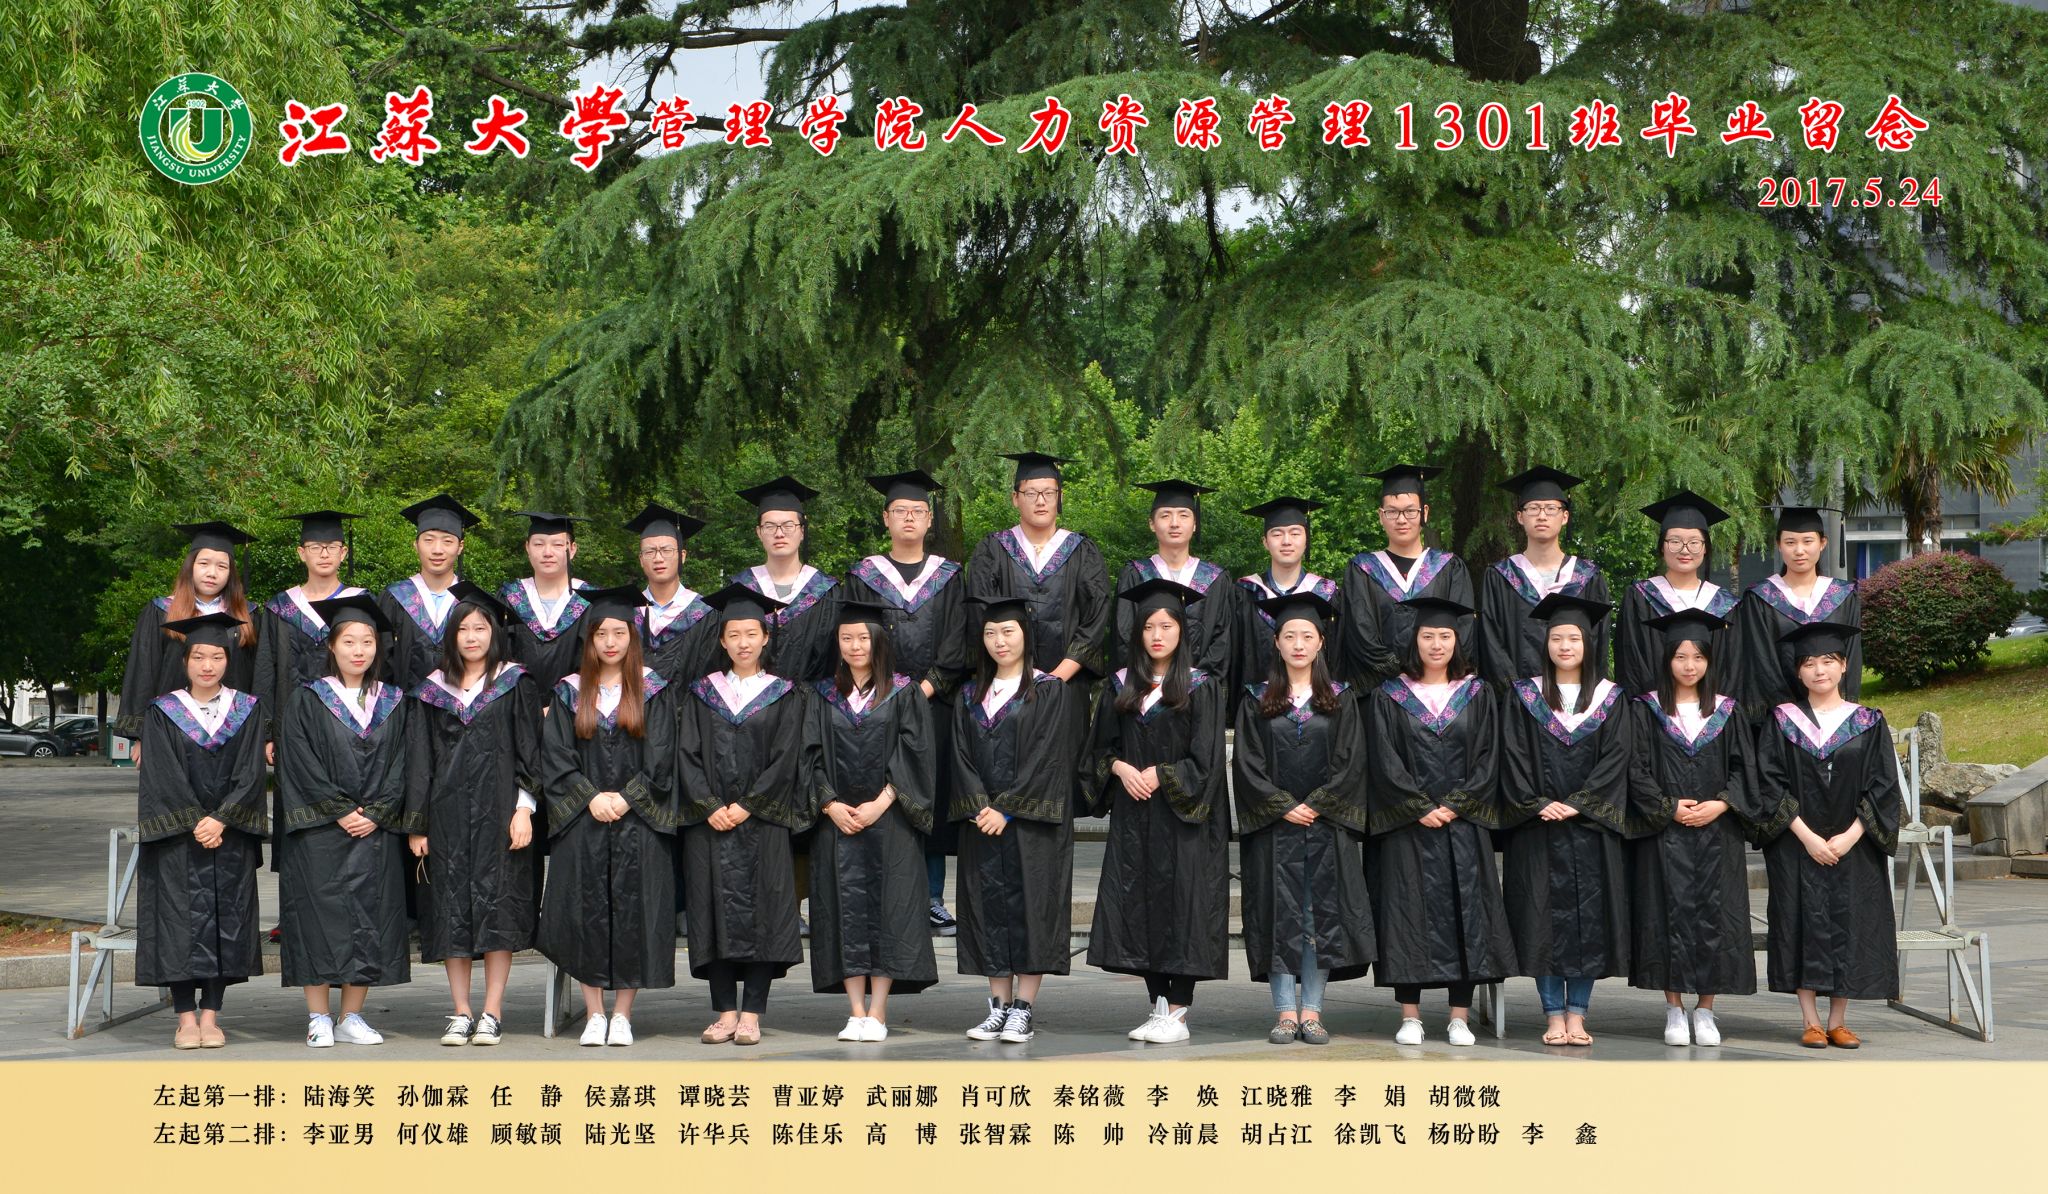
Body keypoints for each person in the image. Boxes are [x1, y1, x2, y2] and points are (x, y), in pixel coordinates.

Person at [1364, 596, 1514, 1047]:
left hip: (1462, 824)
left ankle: (1459, 1017)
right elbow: (1384, 758)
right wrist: (1418, 806)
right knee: (1405, 913)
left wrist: (1456, 804)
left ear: (1456, 640)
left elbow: (1489, 755)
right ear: (1414, 641)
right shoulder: (1389, 695)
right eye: (1427, 635)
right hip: (1407, 826)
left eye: (1445, 636)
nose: (1436, 644)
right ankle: (1410, 1016)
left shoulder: (1478, 694)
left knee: (1465, 913)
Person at [1085, 578, 1229, 1044]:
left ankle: (1180, 1013)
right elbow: (1099, 751)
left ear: (1182, 631)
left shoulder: (1202, 686)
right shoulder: (1122, 685)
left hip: (1183, 821)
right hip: (1135, 817)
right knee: (1139, 906)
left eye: (1166, 626)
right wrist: (1120, 768)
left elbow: (1207, 760)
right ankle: (1158, 1007)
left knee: (1182, 908)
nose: (1157, 635)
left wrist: (1162, 775)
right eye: (1148, 627)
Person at [401, 582, 541, 1047]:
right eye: (463, 629)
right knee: (449, 912)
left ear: (494, 634)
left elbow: (529, 752)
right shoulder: (431, 691)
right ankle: (461, 1011)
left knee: (498, 910)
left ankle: (492, 1011)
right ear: (452, 636)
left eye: (481, 628)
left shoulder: (515, 683)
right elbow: (419, 760)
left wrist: (524, 810)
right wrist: (417, 824)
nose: (472, 636)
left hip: (500, 815)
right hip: (446, 818)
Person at [537, 586, 679, 1047]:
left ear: (632, 637)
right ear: (590, 640)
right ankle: (594, 1013)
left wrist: (628, 798)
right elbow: (556, 755)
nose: (611, 641)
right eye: (601, 634)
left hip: (638, 822)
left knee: (635, 912)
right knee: (585, 913)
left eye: (619, 632)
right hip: (583, 821)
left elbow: (662, 755)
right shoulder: (569, 691)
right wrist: (590, 797)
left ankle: (622, 1015)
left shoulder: (653, 689)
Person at [1233, 590, 1375, 1046]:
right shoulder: (1256, 699)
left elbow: (1352, 761)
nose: (1298, 644)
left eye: (1307, 636)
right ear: (1276, 642)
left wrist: (1317, 804)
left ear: (1320, 643)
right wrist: (1282, 805)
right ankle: (1284, 1013)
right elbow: (1247, 764)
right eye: (1290, 635)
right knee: (1279, 916)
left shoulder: (1341, 698)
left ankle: (1312, 1011)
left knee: (1319, 918)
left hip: (1325, 827)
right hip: (1274, 829)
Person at [676, 584, 816, 1045]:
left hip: (763, 823)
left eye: (751, 633)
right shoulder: (701, 694)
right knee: (711, 911)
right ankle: (724, 1012)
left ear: (765, 637)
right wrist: (710, 805)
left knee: (764, 915)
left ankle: (752, 1013)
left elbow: (786, 757)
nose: (743, 642)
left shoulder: (784, 694)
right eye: (734, 634)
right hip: (710, 824)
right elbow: (686, 755)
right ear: (722, 640)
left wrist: (748, 805)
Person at [1754, 622, 1899, 1049]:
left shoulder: (1868, 721)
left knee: (1849, 923)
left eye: (1828, 661)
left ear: (1843, 666)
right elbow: (1769, 784)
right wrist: (1807, 837)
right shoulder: (1782, 721)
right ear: (1798, 671)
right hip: (1797, 845)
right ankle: (1810, 1020)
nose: (1819, 670)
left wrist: (1852, 835)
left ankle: (1838, 1021)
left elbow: (1883, 785)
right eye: (1809, 663)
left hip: (1854, 846)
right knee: (1800, 921)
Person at [275, 593, 410, 1048]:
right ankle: (318, 1016)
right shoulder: (307, 699)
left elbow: (404, 762)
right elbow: (298, 761)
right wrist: (339, 810)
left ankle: (352, 1016)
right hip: (320, 832)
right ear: (331, 646)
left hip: (373, 830)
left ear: (378, 647)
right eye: (349, 641)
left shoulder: (394, 701)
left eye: (367, 641)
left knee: (369, 918)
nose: (358, 650)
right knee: (317, 918)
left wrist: (377, 813)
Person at [1624, 609, 1763, 1048]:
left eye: (1698, 657)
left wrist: (1721, 804)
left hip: (1717, 833)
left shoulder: (1727, 711)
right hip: (1664, 833)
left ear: (1709, 661)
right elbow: (1635, 768)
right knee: (1666, 913)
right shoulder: (1645, 709)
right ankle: (1673, 1007)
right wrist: (1668, 807)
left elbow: (1744, 769)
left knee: (1715, 918)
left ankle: (1705, 1009)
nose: (1689, 665)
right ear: (1667, 659)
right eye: (1680, 656)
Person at [840, 469, 970, 938]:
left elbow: (959, 640)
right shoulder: (863, 576)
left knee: (927, 796)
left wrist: (921, 690)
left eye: (917, 511)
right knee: (878, 790)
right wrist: (886, 694)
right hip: (877, 707)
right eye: (900, 511)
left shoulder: (950, 577)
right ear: (886, 518)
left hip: (933, 706)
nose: (909, 518)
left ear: (929, 519)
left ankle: (932, 898)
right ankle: (881, 893)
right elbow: (855, 638)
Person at [1499, 593, 1633, 1047]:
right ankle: (1552, 1015)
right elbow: (1512, 754)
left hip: (1589, 828)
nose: (1565, 646)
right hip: (1538, 826)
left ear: (1588, 643)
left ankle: (1578, 1015)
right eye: (1556, 638)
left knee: (1588, 923)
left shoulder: (1610, 698)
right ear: (1546, 643)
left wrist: (1580, 803)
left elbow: (1618, 756)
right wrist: (1537, 802)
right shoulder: (1524, 695)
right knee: (1541, 922)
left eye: (1573, 638)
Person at [952, 589, 1081, 1045]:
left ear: (1026, 635)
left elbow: (1049, 756)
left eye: (1008, 631)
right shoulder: (970, 694)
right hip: (981, 822)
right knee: (987, 908)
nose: (999, 641)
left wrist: (1007, 808)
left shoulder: (1048, 690)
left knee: (1031, 909)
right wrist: (979, 806)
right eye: (990, 633)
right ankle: (997, 1007)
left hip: (1029, 826)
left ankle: (1023, 1009)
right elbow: (959, 755)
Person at [134, 612, 266, 1050]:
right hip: (179, 837)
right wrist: (197, 821)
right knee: (178, 925)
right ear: (185, 661)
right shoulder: (162, 711)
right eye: (198, 657)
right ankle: (185, 1019)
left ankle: (211, 1016)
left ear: (228, 661)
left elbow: (251, 772)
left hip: (228, 834)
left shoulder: (247, 709)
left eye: (216, 657)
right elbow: (161, 775)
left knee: (225, 923)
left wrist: (222, 818)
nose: (207, 665)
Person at [808, 600, 939, 1042]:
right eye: (847, 638)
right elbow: (807, 757)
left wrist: (881, 803)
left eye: (863, 637)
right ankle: (855, 1012)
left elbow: (916, 754)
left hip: (891, 822)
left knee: (890, 911)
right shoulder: (821, 695)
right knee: (841, 910)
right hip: (837, 823)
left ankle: (878, 1012)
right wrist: (830, 805)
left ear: (879, 641)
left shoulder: (904, 693)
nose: (855, 645)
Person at [965, 451, 1111, 811]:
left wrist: (1057, 678)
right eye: (1031, 492)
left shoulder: (1082, 551)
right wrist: (1018, 676)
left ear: (1060, 496)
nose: (1041, 500)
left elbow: (1096, 617)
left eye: (1049, 492)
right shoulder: (993, 550)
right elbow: (982, 615)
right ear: (1015, 498)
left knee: (1059, 782)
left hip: (1066, 687)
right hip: (1005, 686)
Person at [254, 511, 367, 877]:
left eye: (332, 546)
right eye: (316, 547)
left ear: (343, 553)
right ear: (301, 553)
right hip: (293, 732)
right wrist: (268, 732)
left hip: (349, 731)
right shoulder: (279, 607)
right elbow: (266, 670)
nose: (324, 553)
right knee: (297, 815)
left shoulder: (360, 603)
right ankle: (298, 900)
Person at [118, 521, 259, 766]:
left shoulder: (249, 616)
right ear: (190, 566)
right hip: (171, 730)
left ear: (231, 573)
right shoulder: (161, 612)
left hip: (233, 733)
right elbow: (144, 672)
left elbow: (257, 676)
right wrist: (141, 735)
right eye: (204, 563)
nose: (212, 573)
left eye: (222, 566)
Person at [1340, 465, 1476, 688]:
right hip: (1380, 692)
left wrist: (1429, 676)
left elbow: (1463, 629)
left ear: (1425, 513)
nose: (1401, 519)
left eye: (1410, 511)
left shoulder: (1449, 568)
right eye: (1392, 512)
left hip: (1438, 690)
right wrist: (1401, 675)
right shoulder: (1362, 570)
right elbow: (1360, 634)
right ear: (1381, 516)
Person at [1477, 467, 1611, 688]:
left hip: (1577, 696)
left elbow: (1598, 641)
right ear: (1520, 517)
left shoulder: (1587, 577)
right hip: (1516, 699)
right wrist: (1518, 696)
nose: (1541, 516)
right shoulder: (1501, 576)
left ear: (1565, 516)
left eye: (1551, 508)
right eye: (1533, 508)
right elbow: (1491, 643)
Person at [1736, 506, 1863, 722]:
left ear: (1822, 543)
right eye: (1790, 542)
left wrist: (1837, 708)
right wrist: (1791, 717)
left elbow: (1851, 656)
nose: (1799, 550)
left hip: (1833, 716)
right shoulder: (1760, 598)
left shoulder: (1843, 596)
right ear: (1778, 545)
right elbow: (1760, 663)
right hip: (1780, 719)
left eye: (1807, 541)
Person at [1615, 490, 1740, 699]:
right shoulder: (1640, 597)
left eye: (1694, 542)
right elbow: (1630, 661)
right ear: (1662, 547)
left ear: (1705, 548)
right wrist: (1648, 708)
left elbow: (1732, 666)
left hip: (1710, 712)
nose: (1684, 550)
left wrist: (1716, 711)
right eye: (1674, 541)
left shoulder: (1725, 604)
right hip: (1652, 710)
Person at [1113, 480, 1235, 682]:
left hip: (1198, 687)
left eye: (1183, 515)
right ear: (1152, 524)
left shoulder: (1215, 579)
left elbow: (1222, 641)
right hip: (1144, 687)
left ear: (1195, 524)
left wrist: (1198, 684)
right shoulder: (1135, 574)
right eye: (1165, 515)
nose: (1174, 523)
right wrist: (1148, 683)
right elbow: (1124, 634)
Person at [1235, 497, 1341, 710]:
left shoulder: (1326, 593)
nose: (1286, 541)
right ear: (1265, 542)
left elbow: (1337, 656)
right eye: (1277, 534)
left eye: (1295, 533)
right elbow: (1236, 656)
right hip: (1257, 707)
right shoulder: (1244, 593)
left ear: (1306, 539)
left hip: (1317, 709)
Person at [734, 476, 840, 683]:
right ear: (759, 532)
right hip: (749, 700)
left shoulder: (826, 591)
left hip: (811, 700)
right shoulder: (741, 589)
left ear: (802, 531)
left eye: (788, 525)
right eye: (770, 526)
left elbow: (833, 660)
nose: (779, 533)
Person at [378, 494, 480, 693]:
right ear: (416, 545)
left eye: (447, 541)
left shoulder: (472, 600)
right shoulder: (395, 597)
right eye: (429, 540)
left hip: (461, 708)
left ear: (460, 547)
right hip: (403, 707)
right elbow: (381, 662)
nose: (437, 550)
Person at [623, 501, 719, 688]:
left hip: (687, 707)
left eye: (666, 550)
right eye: (650, 551)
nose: (658, 558)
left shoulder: (705, 613)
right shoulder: (627, 611)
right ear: (641, 559)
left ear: (682, 556)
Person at [499, 511, 592, 692]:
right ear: (527, 547)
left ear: (572, 549)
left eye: (558, 544)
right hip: (517, 703)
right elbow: (498, 658)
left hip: (573, 705)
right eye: (539, 544)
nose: (547, 552)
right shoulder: (510, 596)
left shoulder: (590, 600)